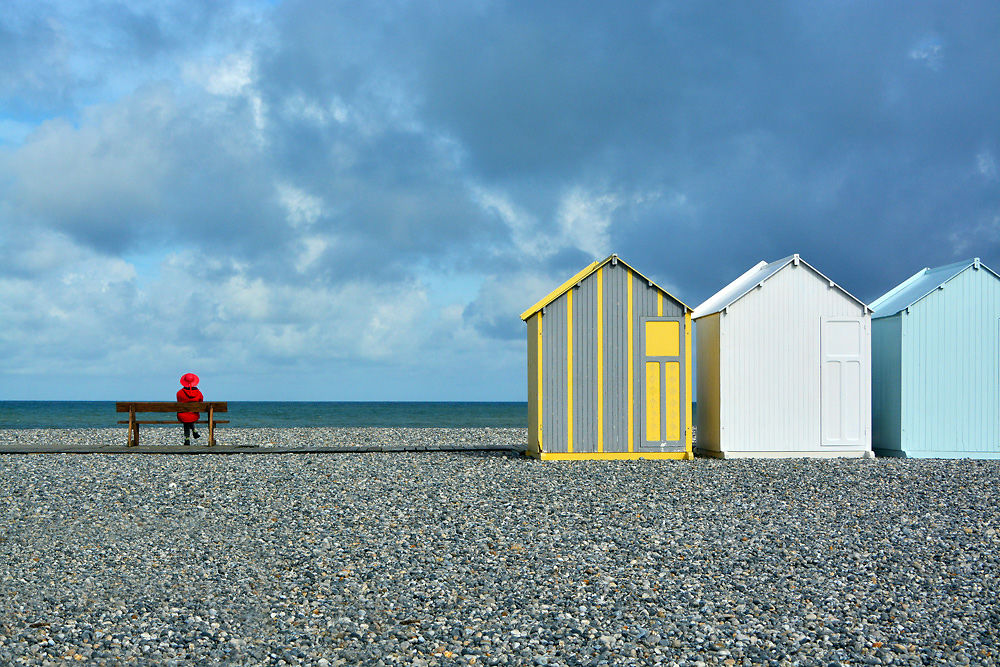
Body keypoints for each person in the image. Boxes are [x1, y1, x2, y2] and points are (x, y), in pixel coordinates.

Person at [177, 373, 203, 445]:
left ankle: (187, 438)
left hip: (183, 415)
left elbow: (179, 402)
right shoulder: (199, 393)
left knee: (186, 417)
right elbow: (201, 402)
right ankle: (194, 431)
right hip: (194, 415)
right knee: (189, 416)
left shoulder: (179, 393)